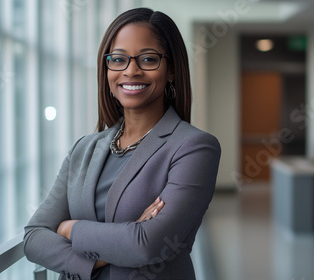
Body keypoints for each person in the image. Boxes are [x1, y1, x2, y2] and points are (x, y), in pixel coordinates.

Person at [24, 7, 221, 280]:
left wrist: (70, 229)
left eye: (148, 59)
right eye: (118, 59)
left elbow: (146, 245)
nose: (131, 71)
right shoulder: (84, 149)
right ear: (106, 68)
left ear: (172, 70)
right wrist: (101, 258)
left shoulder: (194, 147)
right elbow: (34, 237)